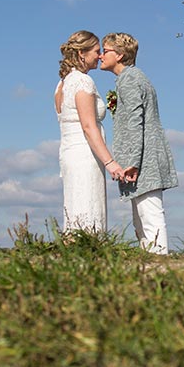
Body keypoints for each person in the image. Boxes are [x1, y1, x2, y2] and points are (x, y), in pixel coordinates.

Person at [101, 32, 177, 254]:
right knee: (141, 219)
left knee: (149, 214)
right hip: (142, 156)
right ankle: (149, 265)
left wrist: (133, 162)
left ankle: (160, 263)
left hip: (144, 159)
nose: (101, 56)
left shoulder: (131, 80)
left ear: (121, 55)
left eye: (106, 51)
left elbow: (136, 121)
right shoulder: (130, 78)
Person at [56, 30, 125, 235]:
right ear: (81, 54)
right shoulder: (82, 81)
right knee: (88, 206)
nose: (100, 55)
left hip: (69, 153)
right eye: (96, 51)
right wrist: (110, 162)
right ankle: (89, 253)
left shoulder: (62, 84)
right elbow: (88, 126)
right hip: (85, 154)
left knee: (76, 206)